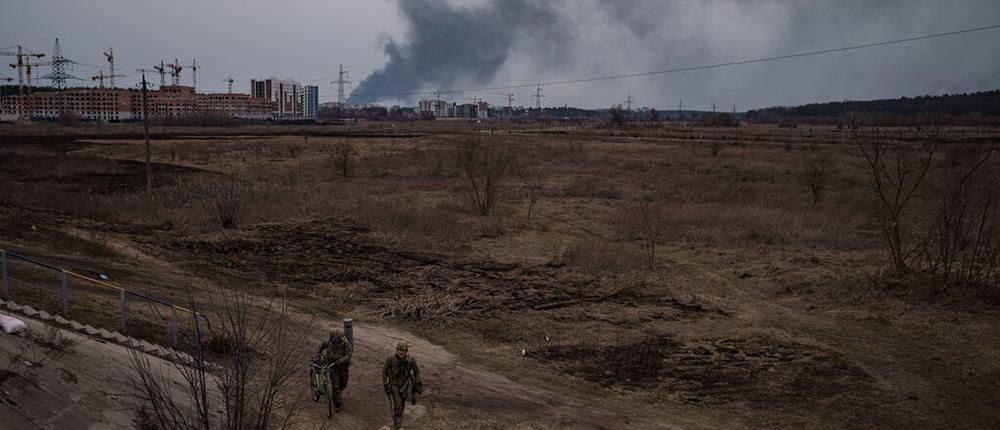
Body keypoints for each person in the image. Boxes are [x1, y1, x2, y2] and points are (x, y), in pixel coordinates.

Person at [382, 341, 423, 429]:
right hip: (394, 385)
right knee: (398, 405)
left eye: (403, 350)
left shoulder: (410, 360)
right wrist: (385, 383)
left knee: (402, 404)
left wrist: (417, 380)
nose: (401, 352)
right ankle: (397, 425)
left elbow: (417, 371)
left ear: (406, 351)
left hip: (405, 386)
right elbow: (384, 371)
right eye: (399, 350)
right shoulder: (390, 359)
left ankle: (398, 420)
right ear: (396, 350)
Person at [316, 327, 352, 411]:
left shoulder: (345, 343)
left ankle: (336, 394)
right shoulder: (328, 342)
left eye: (335, 338)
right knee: (335, 385)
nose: (334, 340)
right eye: (332, 337)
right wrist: (318, 355)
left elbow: (349, 355)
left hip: (343, 367)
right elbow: (320, 347)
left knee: (343, 383)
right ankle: (337, 403)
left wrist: (340, 361)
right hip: (332, 367)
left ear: (339, 337)